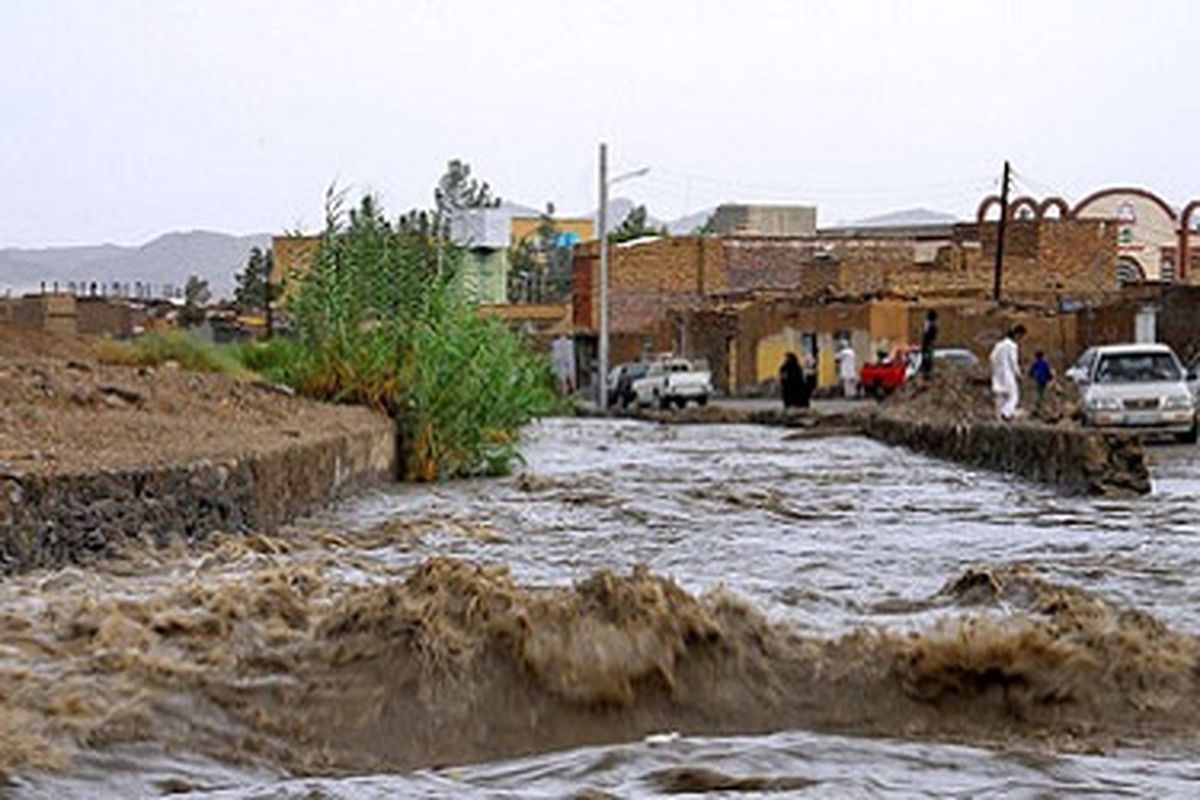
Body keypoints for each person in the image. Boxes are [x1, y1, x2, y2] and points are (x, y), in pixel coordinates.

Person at [989, 324, 1026, 420]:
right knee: (1014, 395)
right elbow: (1013, 362)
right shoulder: (1012, 346)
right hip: (1008, 374)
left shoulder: (998, 345)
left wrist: (994, 370)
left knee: (1000, 396)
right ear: (1018, 335)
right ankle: (1005, 413)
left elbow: (992, 358)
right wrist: (1018, 374)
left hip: (997, 374)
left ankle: (998, 417)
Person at [920, 309, 939, 378]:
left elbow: (927, 334)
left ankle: (927, 371)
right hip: (928, 343)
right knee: (927, 356)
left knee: (927, 356)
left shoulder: (930, 324)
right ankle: (926, 370)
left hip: (928, 343)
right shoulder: (932, 324)